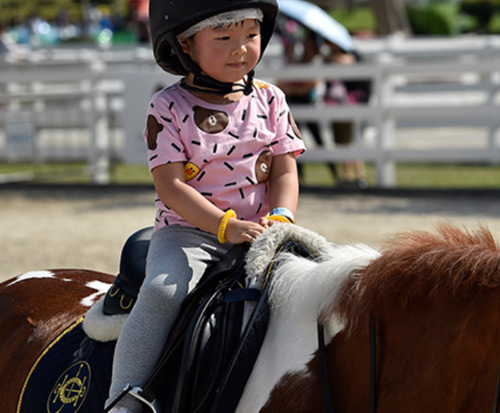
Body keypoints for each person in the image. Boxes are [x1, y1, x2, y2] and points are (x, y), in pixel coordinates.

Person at [106, 0, 305, 412]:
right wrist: (226, 227)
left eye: (250, 35)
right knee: (163, 291)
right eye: (224, 37)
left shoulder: (271, 100)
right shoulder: (167, 108)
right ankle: (123, 397)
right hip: (188, 234)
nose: (241, 49)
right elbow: (172, 187)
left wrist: (282, 217)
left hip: (264, 234)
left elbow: (285, 171)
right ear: (185, 44)